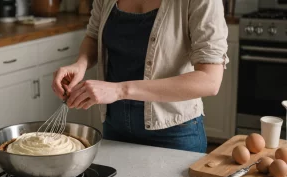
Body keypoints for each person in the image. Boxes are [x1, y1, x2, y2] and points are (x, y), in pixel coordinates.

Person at [52, 0, 228, 153]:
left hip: (173, 133)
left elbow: (209, 80)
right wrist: (80, 64)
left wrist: (120, 90)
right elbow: (93, 35)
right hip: (115, 127)